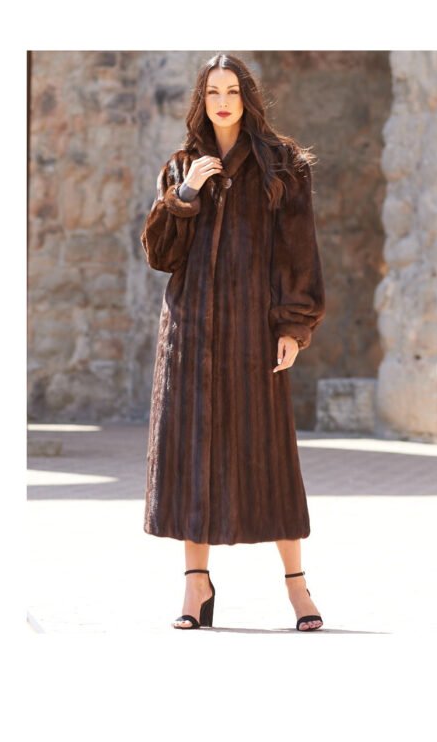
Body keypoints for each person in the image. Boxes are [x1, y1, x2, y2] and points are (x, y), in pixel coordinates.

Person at [140, 53, 326, 631]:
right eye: (213, 91)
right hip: (189, 333)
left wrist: (293, 326)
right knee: (191, 453)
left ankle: (297, 585)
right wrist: (184, 194)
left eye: (233, 91)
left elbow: (299, 253)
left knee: (271, 457)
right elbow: (160, 256)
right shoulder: (181, 166)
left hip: (252, 333)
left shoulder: (282, 165)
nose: (223, 102)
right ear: (202, 99)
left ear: (247, 98)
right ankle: (195, 585)